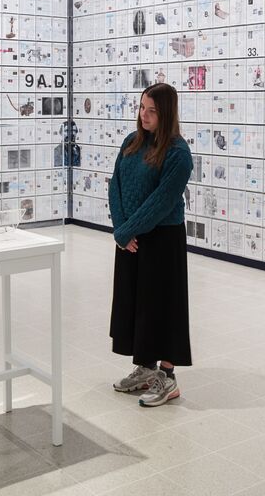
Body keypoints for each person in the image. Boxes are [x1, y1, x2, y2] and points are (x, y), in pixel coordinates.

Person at [109, 83, 193, 407]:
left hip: (161, 241)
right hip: (130, 239)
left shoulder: (178, 154)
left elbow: (159, 204)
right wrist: (121, 231)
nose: (144, 115)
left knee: (164, 309)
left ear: (166, 113)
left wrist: (127, 230)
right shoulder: (131, 142)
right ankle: (145, 367)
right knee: (137, 307)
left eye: (152, 110)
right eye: (142, 107)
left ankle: (167, 377)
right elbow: (114, 185)